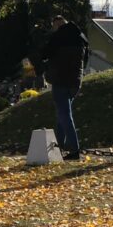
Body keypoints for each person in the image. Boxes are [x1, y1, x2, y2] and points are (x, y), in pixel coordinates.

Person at [41, 15, 89, 159]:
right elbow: (85, 60)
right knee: (62, 114)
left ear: (57, 24)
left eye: (54, 26)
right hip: (75, 81)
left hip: (60, 80)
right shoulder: (80, 36)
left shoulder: (57, 38)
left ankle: (74, 150)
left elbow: (45, 54)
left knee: (65, 115)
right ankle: (58, 145)